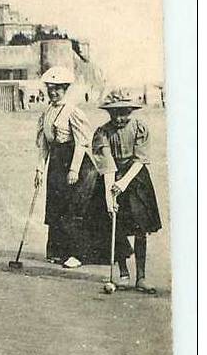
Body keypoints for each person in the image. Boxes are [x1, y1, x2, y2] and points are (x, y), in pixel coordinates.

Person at [90, 90, 162, 293]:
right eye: (115, 113)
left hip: (136, 178)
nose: (120, 118)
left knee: (141, 228)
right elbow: (107, 164)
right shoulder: (102, 132)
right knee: (115, 223)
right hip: (112, 178)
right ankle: (123, 273)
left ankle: (141, 276)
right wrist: (109, 195)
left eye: (124, 113)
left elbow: (140, 160)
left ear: (131, 110)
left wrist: (125, 182)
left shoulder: (140, 128)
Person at [35, 67, 103, 268]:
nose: (54, 92)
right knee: (56, 205)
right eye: (51, 88)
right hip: (56, 163)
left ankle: (78, 253)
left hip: (77, 164)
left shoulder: (73, 111)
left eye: (58, 89)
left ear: (66, 90)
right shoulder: (46, 112)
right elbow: (44, 144)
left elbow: (82, 142)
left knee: (73, 207)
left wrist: (74, 169)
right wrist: (39, 169)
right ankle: (59, 250)